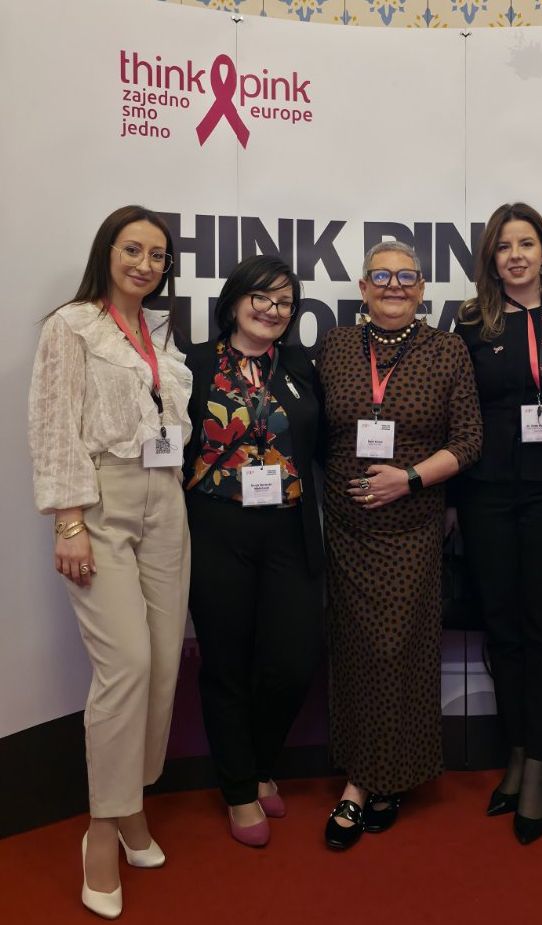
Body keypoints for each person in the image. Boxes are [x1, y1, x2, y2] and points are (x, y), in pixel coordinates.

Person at [28, 205, 191, 919]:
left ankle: (132, 807)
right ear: (108, 251)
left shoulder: (159, 331)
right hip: (101, 499)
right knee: (125, 664)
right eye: (133, 249)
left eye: (157, 255)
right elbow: (52, 424)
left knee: (162, 661)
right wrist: (68, 521)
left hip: (166, 499)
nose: (145, 264)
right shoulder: (72, 326)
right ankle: (101, 828)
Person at [317, 240, 482, 850]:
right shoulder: (335, 347)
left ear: (422, 288)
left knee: (399, 652)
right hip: (346, 529)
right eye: (381, 276)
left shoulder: (446, 349)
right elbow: (314, 430)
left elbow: (469, 440)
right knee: (355, 651)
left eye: (406, 276)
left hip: (412, 527)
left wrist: (408, 478)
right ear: (363, 287)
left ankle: (370, 783)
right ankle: (374, 777)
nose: (394, 285)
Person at [454, 202, 542, 844]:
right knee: (503, 629)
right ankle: (516, 750)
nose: (515, 255)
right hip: (485, 493)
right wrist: (451, 501)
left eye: (526, 243)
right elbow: (458, 410)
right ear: (490, 257)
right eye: (504, 246)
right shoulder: (471, 320)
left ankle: (539, 765)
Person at [181, 255, 325, 848]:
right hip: (217, 528)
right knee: (227, 662)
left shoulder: (300, 366)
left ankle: (262, 761)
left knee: (294, 660)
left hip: (289, 528)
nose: (272, 309)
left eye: (284, 302)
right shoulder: (192, 364)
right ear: (235, 300)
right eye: (261, 297)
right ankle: (240, 788)